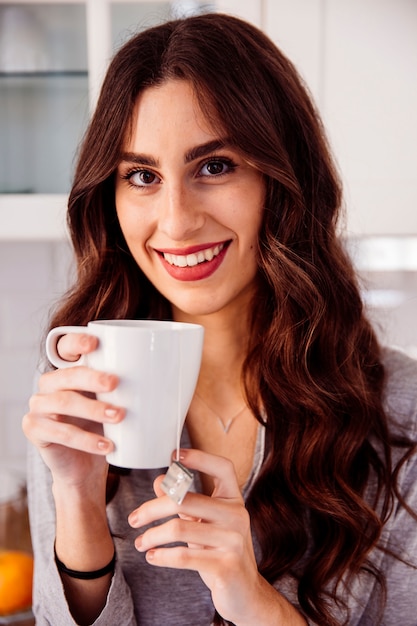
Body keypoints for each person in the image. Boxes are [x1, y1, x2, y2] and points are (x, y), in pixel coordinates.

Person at [22, 12, 417, 626]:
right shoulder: (80, 389)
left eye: (215, 166)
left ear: (282, 183)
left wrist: (255, 601)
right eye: (143, 176)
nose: (176, 221)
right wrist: (75, 499)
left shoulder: (404, 415)